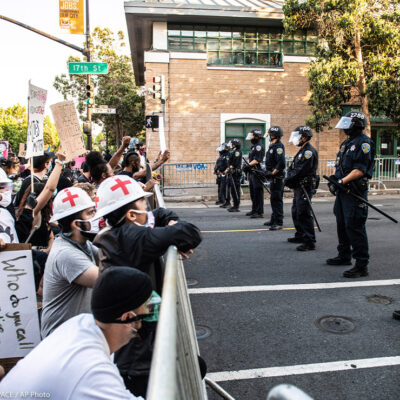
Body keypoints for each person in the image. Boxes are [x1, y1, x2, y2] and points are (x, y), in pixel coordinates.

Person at [92, 175, 202, 396]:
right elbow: (190, 233)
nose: (148, 207)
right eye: (143, 202)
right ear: (131, 215)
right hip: (137, 351)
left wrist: (169, 224)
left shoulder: (115, 236)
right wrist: (174, 232)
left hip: (131, 342)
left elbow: (160, 215)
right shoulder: (133, 238)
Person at [0, 266, 152, 400]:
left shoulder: (81, 323)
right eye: (146, 307)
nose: (151, 311)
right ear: (127, 317)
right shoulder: (91, 371)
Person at [40, 186, 99, 338]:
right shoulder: (66, 254)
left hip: (75, 333)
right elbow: (107, 279)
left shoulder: (82, 242)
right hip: (60, 340)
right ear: (76, 224)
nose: (96, 216)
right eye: (90, 213)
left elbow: (110, 256)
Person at [326, 111, 375, 278]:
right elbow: (341, 166)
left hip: (354, 192)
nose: (345, 126)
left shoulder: (364, 143)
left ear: (356, 125)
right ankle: (344, 255)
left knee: (355, 226)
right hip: (343, 192)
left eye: (348, 123)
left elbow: (359, 170)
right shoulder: (347, 143)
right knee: (342, 223)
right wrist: (335, 179)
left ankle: (361, 265)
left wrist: (342, 181)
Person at [285, 126, 318, 251]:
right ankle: (300, 235)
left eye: (297, 137)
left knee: (304, 213)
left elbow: (300, 170)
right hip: (299, 186)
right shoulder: (302, 150)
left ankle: (309, 240)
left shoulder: (308, 152)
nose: (295, 140)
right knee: (296, 211)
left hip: (305, 186)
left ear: (304, 137)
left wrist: (287, 179)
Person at [263, 126, 286, 230]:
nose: (268, 137)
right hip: (273, 177)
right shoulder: (272, 146)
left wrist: (272, 173)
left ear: (273, 135)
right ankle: (274, 219)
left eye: (269, 135)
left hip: (277, 178)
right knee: (273, 199)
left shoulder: (279, 147)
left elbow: (281, 163)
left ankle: (279, 222)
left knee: (277, 200)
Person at [245, 129, 265, 218]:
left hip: (257, 171)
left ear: (256, 136)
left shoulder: (259, 146)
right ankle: (254, 209)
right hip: (252, 172)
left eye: (252, 136)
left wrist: (248, 165)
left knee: (258, 192)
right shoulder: (254, 146)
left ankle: (259, 211)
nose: (251, 137)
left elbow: (257, 160)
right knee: (253, 192)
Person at [225, 138, 242, 212]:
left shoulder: (237, 152)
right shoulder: (234, 152)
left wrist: (228, 169)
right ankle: (234, 205)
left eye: (232, 144)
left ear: (234, 145)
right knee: (233, 190)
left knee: (235, 190)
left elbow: (234, 164)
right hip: (233, 173)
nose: (231, 145)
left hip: (235, 173)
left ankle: (236, 206)